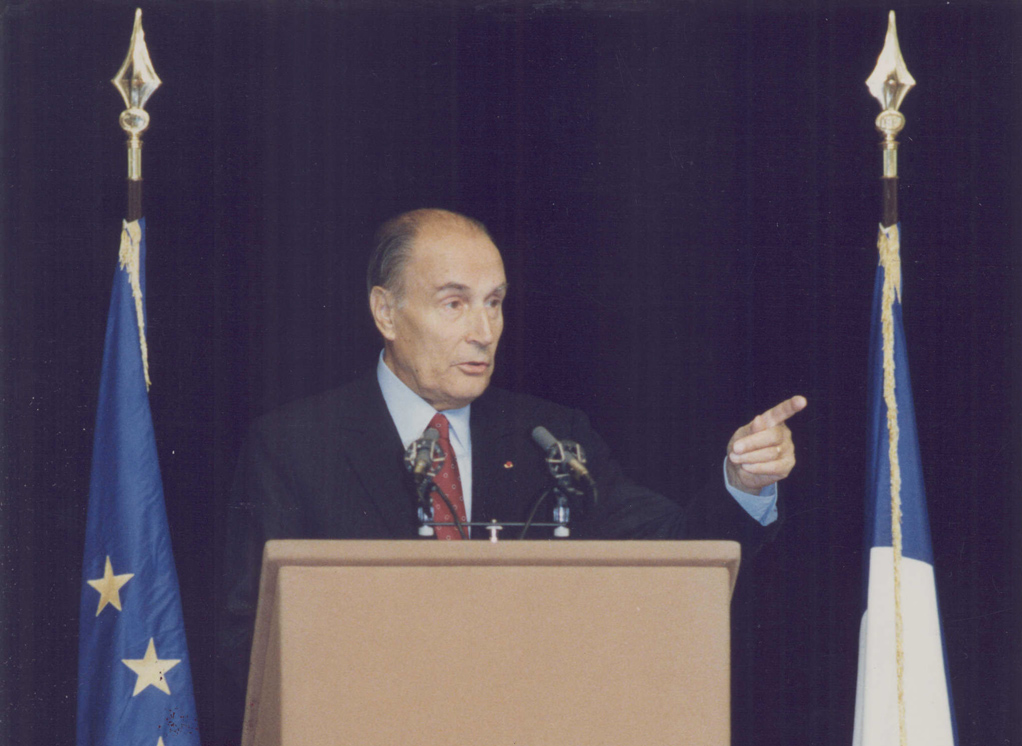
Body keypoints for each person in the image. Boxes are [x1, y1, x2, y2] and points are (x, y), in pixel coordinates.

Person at [216, 208, 806, 742]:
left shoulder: (552, 442)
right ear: (386, 312)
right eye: (455, 303)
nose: (484, 330)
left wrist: (744, 481)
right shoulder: (295, 447)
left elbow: (673, 558)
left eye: (494, 302)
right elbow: (252, 644)